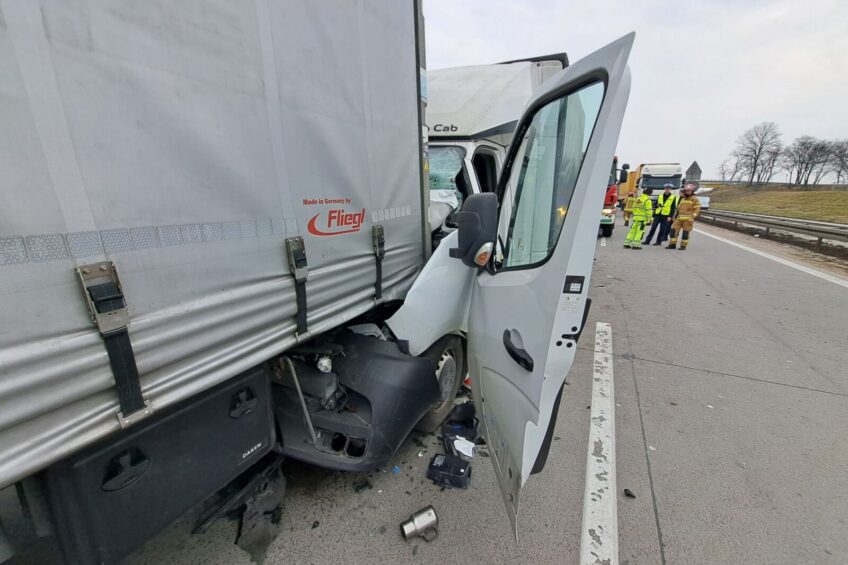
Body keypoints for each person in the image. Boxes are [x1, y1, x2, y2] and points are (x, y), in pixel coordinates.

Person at [667, 184, 701, 250]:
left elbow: (697, 209)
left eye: (689, 191)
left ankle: (683, 246)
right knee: (673, 230)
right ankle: (672, 244)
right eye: (687, 191)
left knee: (685, 233)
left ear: (692, 191)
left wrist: (693, 216)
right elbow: (678, 209)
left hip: (688, 219)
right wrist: (674, 216)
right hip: (679, 218)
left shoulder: (695, 199)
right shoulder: (683, 199)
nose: (688, 192)